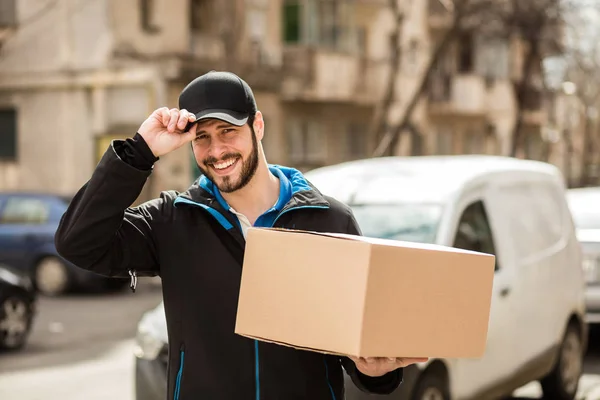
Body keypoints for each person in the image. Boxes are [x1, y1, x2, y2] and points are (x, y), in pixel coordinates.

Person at [55, 71, 426, 400]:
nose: (217, 151)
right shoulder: (172, 220)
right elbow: (78, 241)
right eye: (202, 137)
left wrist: (376, 372)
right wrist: (140, 151)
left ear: (258, 126)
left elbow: (357, 351)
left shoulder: (330, 220)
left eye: (228, 131)